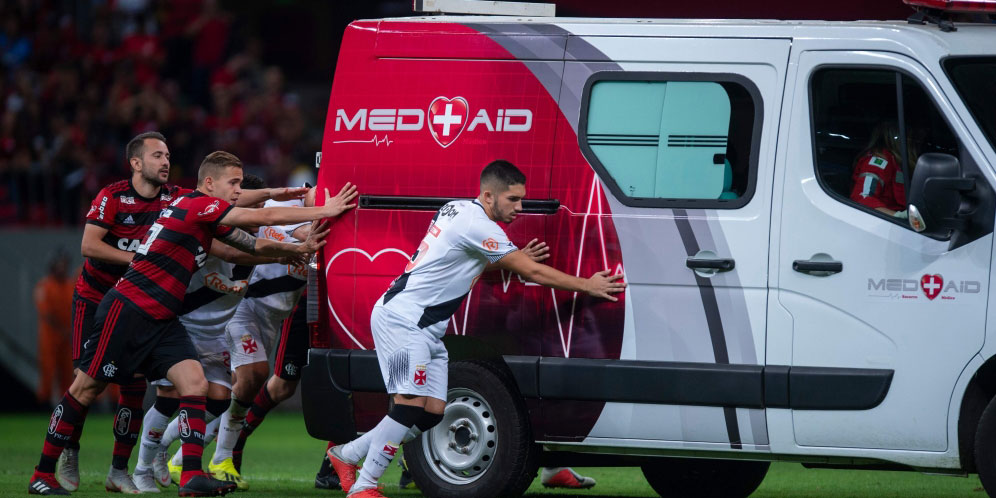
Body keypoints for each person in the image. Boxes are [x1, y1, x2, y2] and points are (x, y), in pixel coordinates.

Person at [27, 150, 358, 496]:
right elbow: (260, 215)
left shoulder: (201, 210)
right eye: (232, 183)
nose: (237, 190)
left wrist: (290, 245)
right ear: (210, 184)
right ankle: (43, 473)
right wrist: (326, 210)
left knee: (195, 385)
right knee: (85, 389)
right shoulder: (199, 204)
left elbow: (238, 248)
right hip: (129, 307)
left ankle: (190, 476)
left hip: (164, 317)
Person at [326, 159, 625, 498]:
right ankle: (364, 486)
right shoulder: (479, 226)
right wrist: (588, 285)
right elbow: (534, 273)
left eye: (522, 198)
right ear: (488, 195)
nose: (520, 207)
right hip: (403, 320)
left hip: (425, 328)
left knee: (430, 414)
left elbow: (461, 259)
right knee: (408, 405)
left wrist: (510, 255)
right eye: (513, 199)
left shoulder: (458, 209)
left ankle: (345, 455)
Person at [131, 174, 302, 492]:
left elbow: (276, 232)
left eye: (260, 207)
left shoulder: (259, 234)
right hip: (181, 324)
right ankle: (142, 467)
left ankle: (171, 454)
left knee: (220, 399)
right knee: (170, 396)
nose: (257, 215)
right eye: (252, 207)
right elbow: (238, 253)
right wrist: (287, 250)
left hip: (216, 331)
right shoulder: (214, 233)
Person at [207, 188, 320, 490]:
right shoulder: (280, 208)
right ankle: (220, 458)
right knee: (251, 377)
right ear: (308, 190)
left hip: (272, 318)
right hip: (245, 308)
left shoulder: (315, 224)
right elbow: (299, 227)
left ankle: (179, 455)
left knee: (241, 390)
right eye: (318, 196)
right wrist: (324, 225)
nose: (321, 202)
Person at [849, 122, 919, 219]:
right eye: (910, 137)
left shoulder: (898, 163)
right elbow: (862, 197)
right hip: (884, 223)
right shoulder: (878, 162)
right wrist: (898, 216)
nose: (913, 141)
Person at [34, 250, 75, 407]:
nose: (62, 269)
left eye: (64, 265)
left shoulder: (71, 285)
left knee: (67, 373)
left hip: (67, 337)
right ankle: (43, 404)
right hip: (50, 338)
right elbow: (46, 313)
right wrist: (63, 330)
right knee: (48, 371)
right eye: (59, 265)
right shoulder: (44, 286)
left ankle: (65, 405)